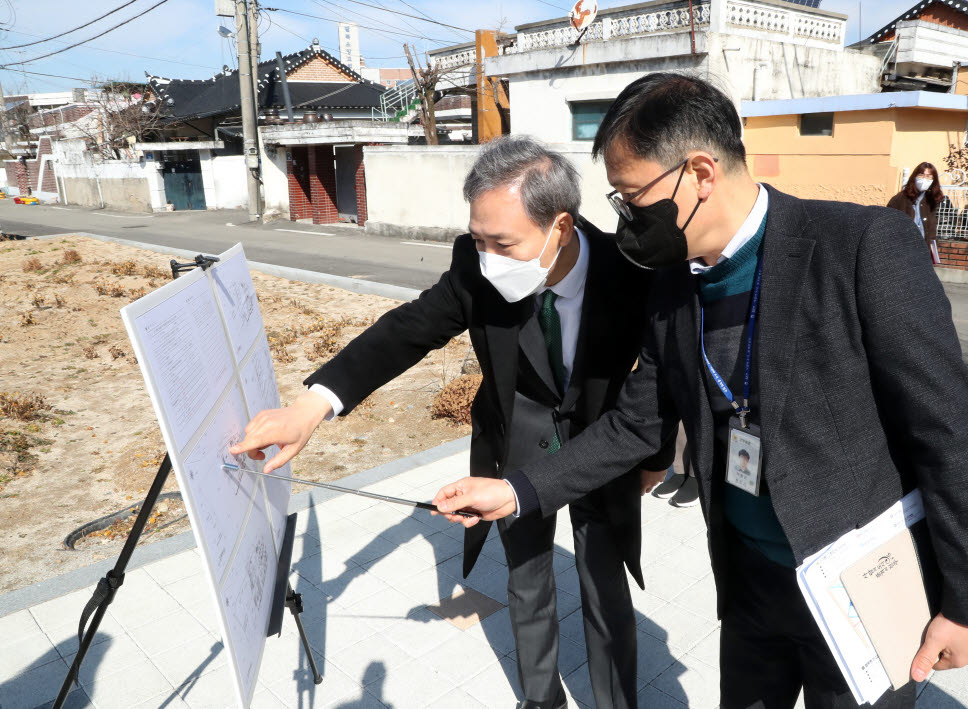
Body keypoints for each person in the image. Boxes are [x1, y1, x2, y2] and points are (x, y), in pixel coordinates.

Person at [433, 73, 968, 709]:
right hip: (750, 586)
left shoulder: (860, 247)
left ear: (701, 173)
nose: (627, 218)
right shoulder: (673, 285)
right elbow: (635, 422)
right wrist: (517, 490)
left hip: (863, 586)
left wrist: (961, 601)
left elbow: (946, 432)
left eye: (632, 197)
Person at [230, 136, 672, 709]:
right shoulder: (477, 266)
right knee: (527, 577)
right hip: (516, 444)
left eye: (501, 243)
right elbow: (409, 329)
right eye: (477, 238)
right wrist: (312, 406)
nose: (485, 256)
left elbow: (667, 374)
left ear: (560, 227)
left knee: (604, 583)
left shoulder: (630, 270)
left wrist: (657, 457)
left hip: (602, 445)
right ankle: (541, 699)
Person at [887, 162, 942, 259]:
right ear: (915, 177)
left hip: (922, 251)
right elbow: (888, 224)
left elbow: (932, 230)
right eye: (921, 175)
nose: (924, 179)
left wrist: (933, 254)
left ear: (933, 180)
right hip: (902, 251)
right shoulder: (900, 199)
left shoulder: (931, 201)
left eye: (929, 176)